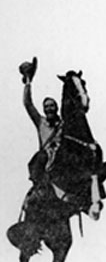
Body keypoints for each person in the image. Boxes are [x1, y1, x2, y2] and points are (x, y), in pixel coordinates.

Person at [19, 58, 63, 186]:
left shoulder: (63, 124)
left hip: (61, 156)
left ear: (56, 108)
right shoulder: (41, 122)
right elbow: (28, 103)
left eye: (52, 106)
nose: (49, 108)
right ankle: (38, 186)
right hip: (47, 158)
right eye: (47, 106)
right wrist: (28, 81)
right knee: (40, 157)